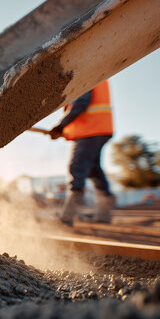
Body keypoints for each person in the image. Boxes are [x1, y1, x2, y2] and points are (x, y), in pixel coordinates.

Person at [49, 80, 115, 225]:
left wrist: (61, 126)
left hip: (90, 131)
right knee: (93, 170)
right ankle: (104, 215)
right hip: (98, 129)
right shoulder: (99, 72)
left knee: (76, 168)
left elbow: (81, 103)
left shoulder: (85, 74)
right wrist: (62, 129)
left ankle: (67, 217)